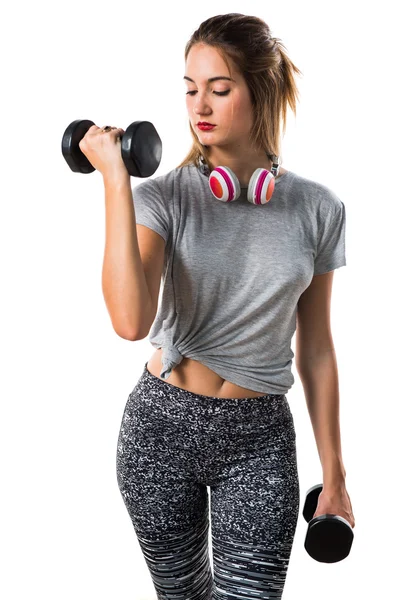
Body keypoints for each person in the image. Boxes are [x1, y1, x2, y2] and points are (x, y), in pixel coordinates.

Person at [79, 12, 355, 600]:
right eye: (189, 88)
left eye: (220, 89)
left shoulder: (318, 209)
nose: (198, 105)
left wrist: (335, 474)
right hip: (160, 430)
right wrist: (115, 185)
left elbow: (318, 348)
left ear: (262, 92)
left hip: (258, 440)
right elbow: (129, 321)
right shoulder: (164, 199)